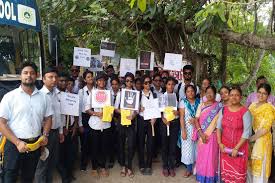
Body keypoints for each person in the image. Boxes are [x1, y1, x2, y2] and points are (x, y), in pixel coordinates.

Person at [0, 62, 52, 183]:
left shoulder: (44, 97)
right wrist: (17, 143)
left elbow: (48, 118)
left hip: (34, 145)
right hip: (13, 145)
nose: (29, 75)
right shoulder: (10, 97)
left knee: (28, 178)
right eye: (25, 73)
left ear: (37, 75)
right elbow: (1, 123)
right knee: (9, 177)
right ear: (20, 76)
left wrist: (45, 135)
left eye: (32, 73)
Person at [35, 67, 65, 183]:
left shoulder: (58, 94)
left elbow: (60, 114)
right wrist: (43, 136)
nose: (54, 79)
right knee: (42, 163)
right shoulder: (39, 96)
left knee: (52, 161)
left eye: (55, 77)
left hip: (56, 133)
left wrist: (61, 132)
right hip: (44, 134)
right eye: (50, 77)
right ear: (43, 79)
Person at [217, 86, 252, 183]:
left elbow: (246, 132)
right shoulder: (223, 110)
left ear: (241, 97)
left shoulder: (245, 112)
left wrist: (236, 148)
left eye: (237, 95)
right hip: (225, 148)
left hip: (239, 149)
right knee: (226, 176)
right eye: (232, 95)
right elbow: (219, 127)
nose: (234, 97)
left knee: (238, 176)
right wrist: (220, 143)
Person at [193, 86, 222, 183]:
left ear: (215, 94)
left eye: (211, 92)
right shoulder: (201, 105)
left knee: (211, 158)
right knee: (202, 157)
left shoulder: (219, 106)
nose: (209, 94)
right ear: (205, 93)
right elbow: (196, 120)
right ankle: (201, 177)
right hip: (202, 135)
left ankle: (210, 178)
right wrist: (200, 133)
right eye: (207, 92)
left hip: (213, 136)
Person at [247, 83, 275, 183]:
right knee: (250, 166)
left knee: (260, 167)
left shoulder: (269, 108)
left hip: (262, 140)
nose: (261, 95)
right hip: (251, 138)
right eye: (259, 92)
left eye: (264, 93)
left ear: (268, 95)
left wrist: (251, 139)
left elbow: (265, 129)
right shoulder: (252, 106)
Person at [85, 72, 111, 178]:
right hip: (95, 124)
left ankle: (103, 166)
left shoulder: (108, 93)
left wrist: (108, 112)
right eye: (100, 80)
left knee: (104, 147)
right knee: (94, 147)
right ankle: (94, 168)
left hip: (106, 124)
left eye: (104, 80)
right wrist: (96, 113)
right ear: (96, 82)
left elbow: (111, 108)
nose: (102, 82)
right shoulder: (93, 93)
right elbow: (87, 108)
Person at [114, 72, 137, 178]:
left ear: (133, 82)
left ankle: (129, 167)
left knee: (131, 145)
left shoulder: (136, 93)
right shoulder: (120, 93)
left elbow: (136, 109)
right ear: (124, 81)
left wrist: (133, 115)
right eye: (127, 81)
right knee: (121, 144)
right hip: (122, 121)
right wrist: (122, 112)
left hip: (131, 122)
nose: (129, 83)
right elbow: (115, 108)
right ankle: (123, 166)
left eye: (131, 81)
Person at [58, 77, 79, 183]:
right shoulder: (55, 95)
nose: (64, 83)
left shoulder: (71, 96)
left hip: (71, 128)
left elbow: (75, 112)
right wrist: (62, 129)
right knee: (61, 155)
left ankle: (69, 173)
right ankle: (64, 176)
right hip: (60, 131)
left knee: (71, 154)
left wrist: (75, 125)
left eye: (65, 81)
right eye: (61, 81)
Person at [178, 85, 200, 178]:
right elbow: (182, 117)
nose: (190, 93)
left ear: (195, 92)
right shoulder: (183, 102)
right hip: (187, 128)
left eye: (192, 91)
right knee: (188, 150)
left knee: (197, 149)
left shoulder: (199, 102)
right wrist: (183, 131)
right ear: (185, 93)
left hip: (198, 128)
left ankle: (197, 168)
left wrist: (196, 120)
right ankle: (189, 169)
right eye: (188, 91)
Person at [138, 75, 157, 175]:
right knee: (141, 143)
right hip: (141, 120)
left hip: (151, 122)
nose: (148, 84)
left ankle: (149, 165)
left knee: (150, 143)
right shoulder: (138, 95)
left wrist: (154, 118)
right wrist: (138, 109)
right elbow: (134, 109)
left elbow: (156, 108)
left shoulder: (154, 94)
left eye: (149, 82)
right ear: (142, 84)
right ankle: (141, 164)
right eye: (145, 83)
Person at [160, 77, 180, 177]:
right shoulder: (162, 96)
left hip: (175, 123)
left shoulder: (176, 96)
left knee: (172, 145)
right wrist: (164, 120)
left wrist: (178, 112)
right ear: (166, 85)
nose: (171, 86)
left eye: (172, 84)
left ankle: (171, 166)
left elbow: (179, 110)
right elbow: (159, 111)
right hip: (165, 123)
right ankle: (165, 166)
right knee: (165, 145)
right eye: (169, 84)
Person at [78, 70, 94, 171]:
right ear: (84, 79)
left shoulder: (97, 90)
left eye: (91, 76)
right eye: (88, 77)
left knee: (94, 141)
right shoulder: (81, 91)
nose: (91, 78)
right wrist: (80, 124)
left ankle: (94, 163)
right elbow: (79, 109)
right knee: (84, 142)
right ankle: (83, 163)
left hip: (95, 116)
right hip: (84, 118)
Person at [108, 76, 121, 168]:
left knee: (120, 139)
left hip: (121, 118)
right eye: (112, 84)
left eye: (116, 84)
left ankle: (120, 158)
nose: (114, 86)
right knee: (111, 139)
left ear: (119, 85)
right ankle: (111, 159)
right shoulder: (107, 93)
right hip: (110, 119)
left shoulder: (123, 93)